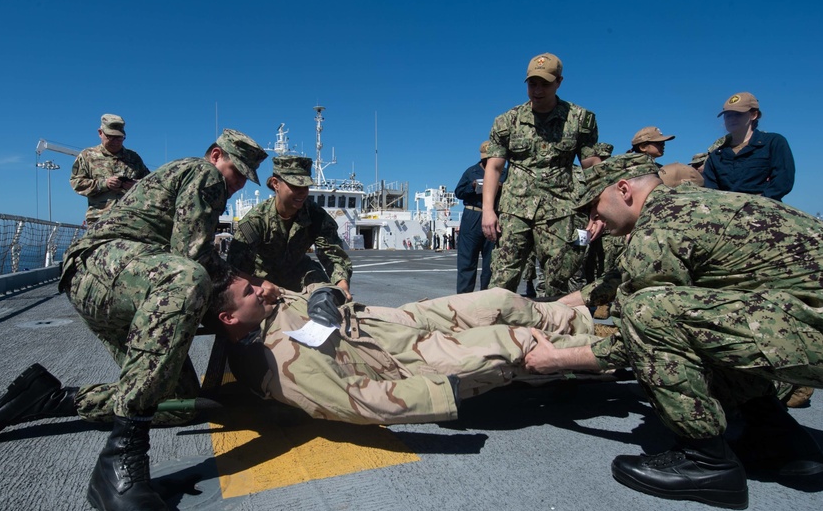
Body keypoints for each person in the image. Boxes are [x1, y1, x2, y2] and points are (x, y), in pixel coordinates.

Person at [527, 155, 823, 510]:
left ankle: (705, 461)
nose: (594, 221)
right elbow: (616, 280)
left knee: (648, 309)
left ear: (624, 189)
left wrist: (558, 359)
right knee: (714, 316)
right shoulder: (694, 207)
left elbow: (640, 336)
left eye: (595, 208)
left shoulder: (659, 228)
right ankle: (777, 440)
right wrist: (554, 307)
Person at [0, 128, 270, 511]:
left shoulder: (192, 178)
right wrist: (250, 286)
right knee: (187, 278)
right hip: (105, 264)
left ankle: (50, 398)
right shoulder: (203, 173)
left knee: (177, 401)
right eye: (237, 172)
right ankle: (120, 460)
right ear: (216, 155)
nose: (236, 185)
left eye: (243, 178)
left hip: (115, 281)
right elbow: (191, 258)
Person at [215, 278, 609, 425]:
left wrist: (323, 293)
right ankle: (615, 350)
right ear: (229, 319)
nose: (260, 289)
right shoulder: (278, 360)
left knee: (502, 301)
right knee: (511, 342)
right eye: (248, 292)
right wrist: (436, 393)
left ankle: (589, 322)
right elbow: (351, 401)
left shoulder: (269, 307)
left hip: (395, 319)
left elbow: (316, 285)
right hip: (404, 356)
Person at [481, 53, 612, 296]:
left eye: (545, 83)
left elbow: (592, 167)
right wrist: (488, 210)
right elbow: (494, 167)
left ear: (559, 82)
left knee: (558, 279)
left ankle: (553, 331)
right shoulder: (507, 122)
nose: (537, 90)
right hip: (515, 209)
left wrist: (599, 209)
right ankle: (495, 329)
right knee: (502, 276)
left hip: (560, 210)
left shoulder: (580, 120)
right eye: (533, 83)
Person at [228, 155, 353, 299]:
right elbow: (234, 268)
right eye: (295, 186)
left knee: (328, 297)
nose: (302, 192)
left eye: (305, 186)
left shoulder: (315, 215)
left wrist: (341, 284)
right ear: (276, 184)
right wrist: (257, 283)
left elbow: (333, 254)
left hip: (301, 274)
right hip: (264, 280)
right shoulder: (255, 221)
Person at [701, 92, 795, 202]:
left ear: (753, 115)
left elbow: (782, 181)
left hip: (764, 211)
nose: (732, 119)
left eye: (738, 114)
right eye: (728, 115)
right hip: (726, 213)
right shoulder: (716, 155)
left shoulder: (773, 143)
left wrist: (757, 202)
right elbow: (711, 191)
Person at [70, 114, 151, 226]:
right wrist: (104, 184)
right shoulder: (87, 156)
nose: (115, 142)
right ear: (100, 133)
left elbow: (151, 183)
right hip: (100, 220)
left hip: (130, 219)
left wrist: (136, 185)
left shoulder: (133, 158)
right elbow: (76, 183)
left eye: (119, 138)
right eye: (110, 137)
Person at [454, 142, 504, 293]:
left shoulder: (505, 172)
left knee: (491, 263)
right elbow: (458, 192)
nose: (487, 161)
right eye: (485, 159)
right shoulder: (471, 171)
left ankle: (487, 297)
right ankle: (463, 298)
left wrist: (501, 187)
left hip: (494, 216)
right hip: (472, 216)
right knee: (467, 261)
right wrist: (472, 186)